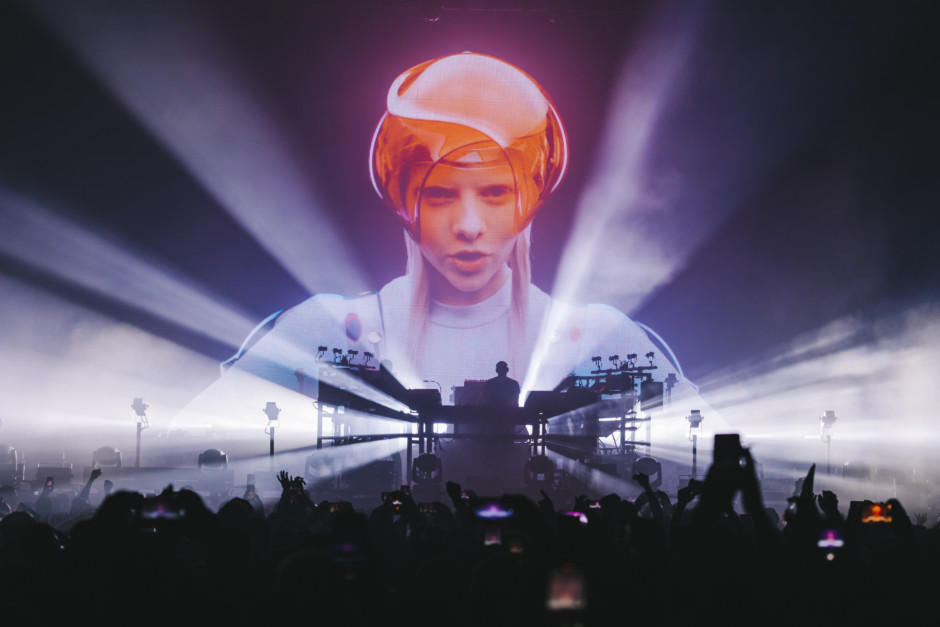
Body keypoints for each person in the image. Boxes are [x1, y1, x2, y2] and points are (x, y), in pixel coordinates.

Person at [210, 51, 722, 484]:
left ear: (528, 199)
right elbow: (191, 449)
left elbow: (721, 456)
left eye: (495, 192)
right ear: (404, 200)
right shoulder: (321, 329)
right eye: (440, 194)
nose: (470, 225)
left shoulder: (602, 338)